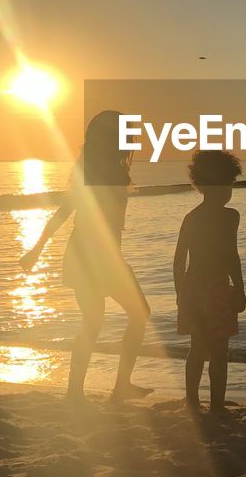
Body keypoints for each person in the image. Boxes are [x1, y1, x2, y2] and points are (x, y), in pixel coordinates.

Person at [21, 111, 151, 402]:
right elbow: (65, 212)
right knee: (129, 315)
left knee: (102, 321)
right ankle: (104, 389)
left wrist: (37, 250)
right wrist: (37, 249)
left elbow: (68, 211)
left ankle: (88, 391)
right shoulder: (99, 173)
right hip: (94, 258)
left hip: (97, 256)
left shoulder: (99, 169)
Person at [173, 150, 246, 418]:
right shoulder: (230, 217)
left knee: (197, 348)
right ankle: (216, 407)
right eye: (229, 184)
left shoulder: (190, 218)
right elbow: (231, 256)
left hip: (192, 288)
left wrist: (180, 291)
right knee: (219, 352)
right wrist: (239, 290)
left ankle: (192, 404)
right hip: (216, 288)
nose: (230, 191)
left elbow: (178, 260)